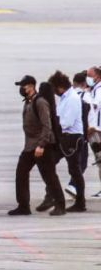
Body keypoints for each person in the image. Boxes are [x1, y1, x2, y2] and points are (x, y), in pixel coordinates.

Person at [8, 76, 65, 216]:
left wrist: (41, 145)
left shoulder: (40, 102)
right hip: (30, 146)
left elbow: (47, 126)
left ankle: (60, 205)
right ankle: (23, 206)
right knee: (21, 173)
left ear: (32, 86)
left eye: (24, 86)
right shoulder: (28, 102)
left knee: (49, 176)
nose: (22, 89)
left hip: (42, 146)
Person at [45, 71, 86, 212]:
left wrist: (53, 124)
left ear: (60, 87)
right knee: (50, 164)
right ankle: (50, 196)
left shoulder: (72, 98)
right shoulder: (64, 98)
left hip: (72, 138)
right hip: (64, 137)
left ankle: (80, 202)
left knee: (74, 170)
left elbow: (67, 122)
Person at [70, 71, 91, 197]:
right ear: (84, 83)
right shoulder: (86, 96)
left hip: (65, 133)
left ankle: (50, 192)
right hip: (80, 133)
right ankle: (72, 186)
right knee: (81, 162)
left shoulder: (67, 95)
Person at [86, 66, 101, 198]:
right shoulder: (95, 88)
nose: (88, 78)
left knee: (100, 159)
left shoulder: (99, 89)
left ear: (97, 76)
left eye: (89, 75)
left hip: (98, 130)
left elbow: (95, 105)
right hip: (96, 128)